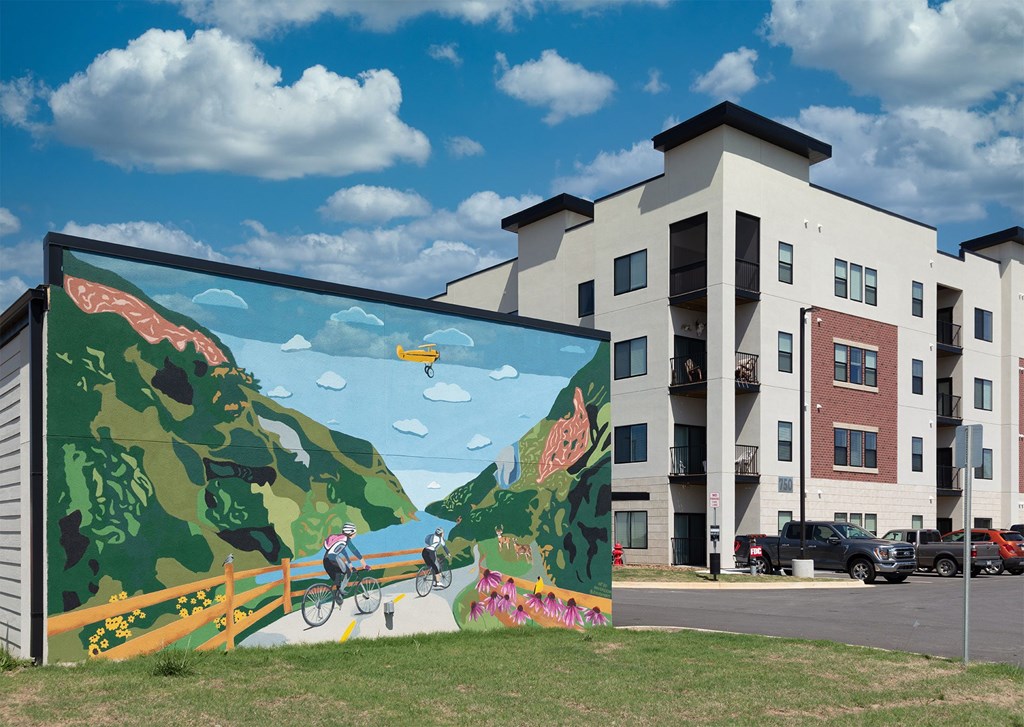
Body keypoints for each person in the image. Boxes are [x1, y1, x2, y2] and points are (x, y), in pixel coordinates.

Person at [322, 522, 368, 596]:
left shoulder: (340, 539)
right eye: (355, 532)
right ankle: (340, 591)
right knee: (348, 573)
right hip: (333, 559)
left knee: (338, 575)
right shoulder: (346, 540)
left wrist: (350, 565)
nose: (356, 534)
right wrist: (364, 563)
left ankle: (338, 595)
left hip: (326, 560)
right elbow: (354, 550)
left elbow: (344, 553)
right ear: (351, 532)